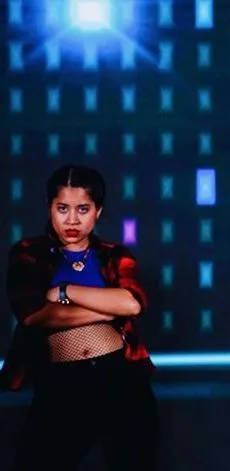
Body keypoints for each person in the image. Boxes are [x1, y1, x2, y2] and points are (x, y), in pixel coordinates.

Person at [1, 165, 159, 471]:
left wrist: (64, 291)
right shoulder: (28, 252)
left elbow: (132, 303)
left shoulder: (114, 255)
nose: (72, 220)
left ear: (98, 211)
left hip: (120, 378)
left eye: (83, 209)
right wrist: (107, 308)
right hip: (61, 384)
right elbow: (34, 315)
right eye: (62, 208)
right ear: (49, 207)